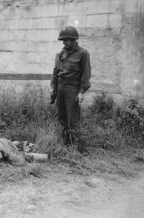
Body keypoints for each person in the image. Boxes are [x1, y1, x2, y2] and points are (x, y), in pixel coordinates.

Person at [50, 26, 91, 154]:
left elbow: (86, 73)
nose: (64, 42)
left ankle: (77, 148)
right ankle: (65, 144)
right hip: (61, 87)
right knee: (61, 117)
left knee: (73, 119)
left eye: (67, 39)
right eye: (63, 40)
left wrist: (81, 92)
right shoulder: (61, 53)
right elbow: (56, 72)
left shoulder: (83, 53)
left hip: (73, 89)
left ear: (74, 39)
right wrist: (53, 88)